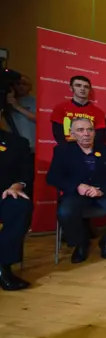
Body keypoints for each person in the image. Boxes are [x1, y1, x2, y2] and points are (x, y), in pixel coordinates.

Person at [47, 118, 106, 263]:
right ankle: (81, 243)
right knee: (65, 212)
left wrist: (102, 190)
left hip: (102, 193)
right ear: (72, 134)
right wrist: (77, 186)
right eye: (80, 130)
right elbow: (53, 177)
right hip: (77, 193)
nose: (86, 133)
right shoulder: (63, 151)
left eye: (89, 130)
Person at [0, 114, 33, 291]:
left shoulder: (17, 143)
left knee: (21, 206)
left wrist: (17, 185)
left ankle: (3, 266)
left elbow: (25, 173)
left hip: (4, 195)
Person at [51, 76, 106, 145]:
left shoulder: (99, 112)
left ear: (90, 90)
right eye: (78, 85)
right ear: (71, 88)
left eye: (86, 87)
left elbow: (99, 136)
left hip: (89, 151)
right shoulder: (60, 108)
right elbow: (58, 134)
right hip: (66, 149)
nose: (82, 89)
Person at [6, 76, 36, 154]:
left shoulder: (35, 101)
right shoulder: (7, 102)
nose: (21, 86)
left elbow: (38, 119)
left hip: (31, 146)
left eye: (24, 84)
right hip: (12, 146)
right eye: (18, 84)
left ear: (30, 87)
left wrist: (17, 107)